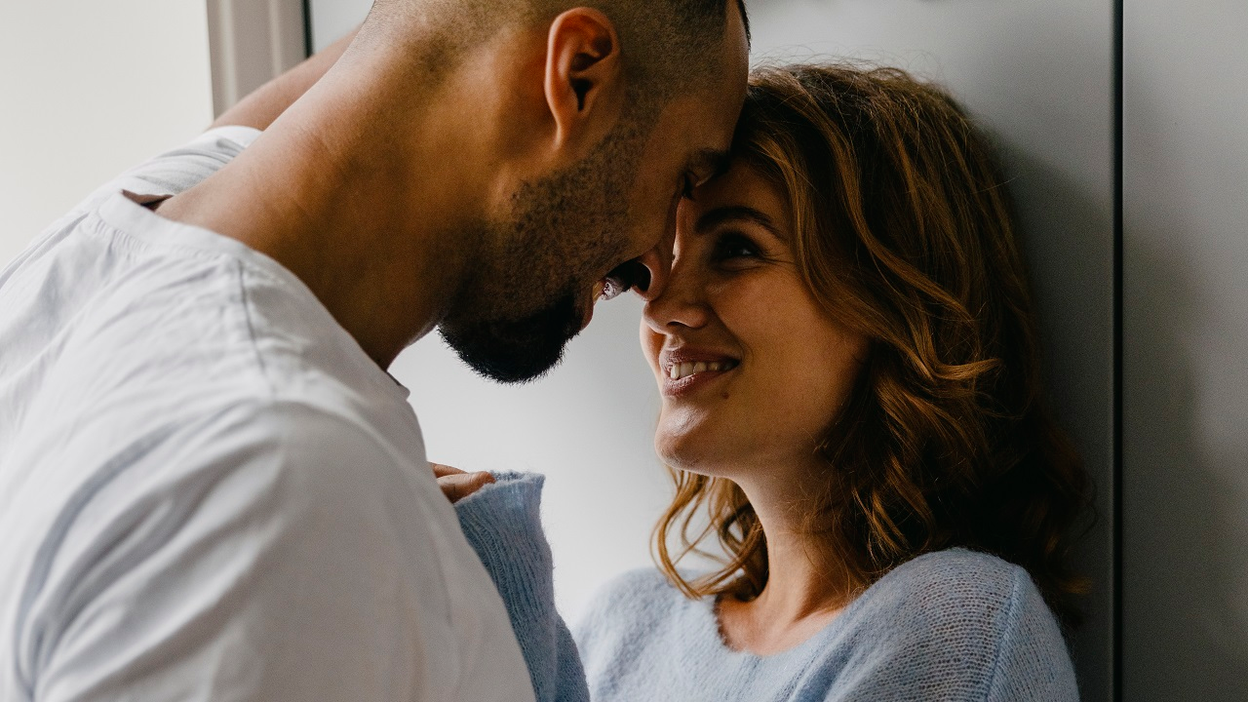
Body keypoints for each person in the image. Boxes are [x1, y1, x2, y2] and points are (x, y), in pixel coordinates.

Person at [0, 1, 749, 700]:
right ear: (577, 78)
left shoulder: (99, 247)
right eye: (684, 173)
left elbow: (407, 53)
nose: (658, 263)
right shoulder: (278, 486)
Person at [447, 63, 1090, 701]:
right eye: (655, 267)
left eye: (736, 249)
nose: (660, 307)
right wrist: (495, 584)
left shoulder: (957, 624)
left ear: (897, 304)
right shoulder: (627, 625)